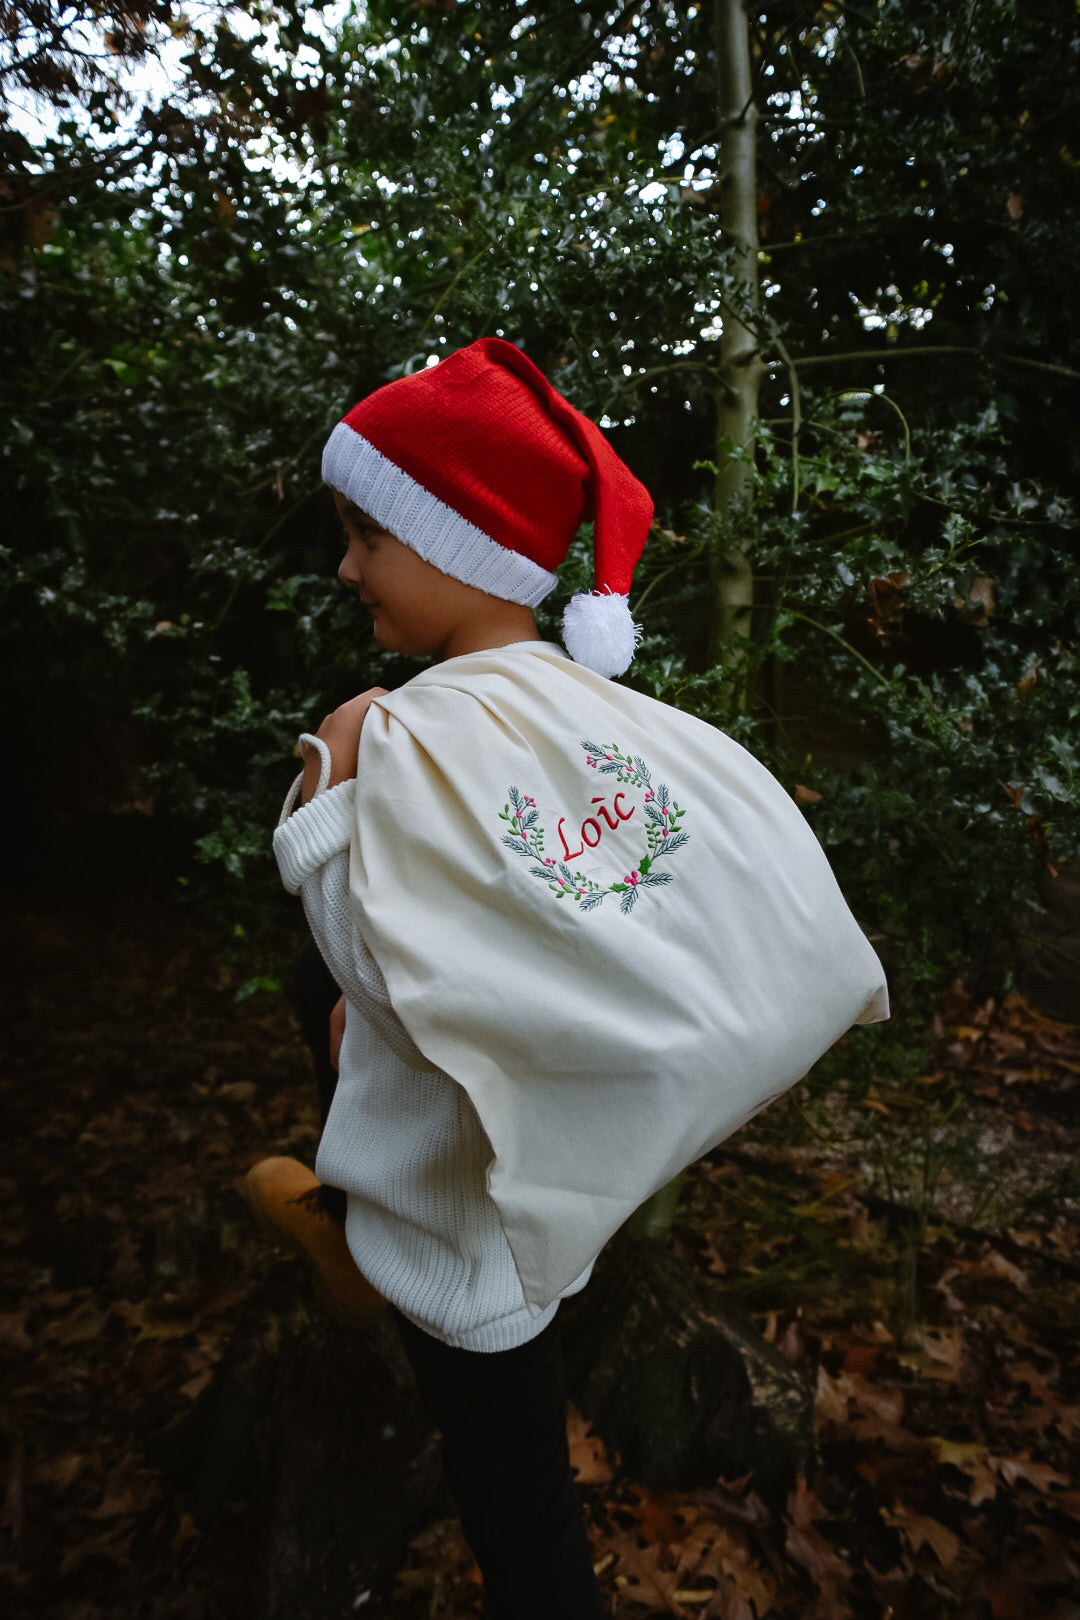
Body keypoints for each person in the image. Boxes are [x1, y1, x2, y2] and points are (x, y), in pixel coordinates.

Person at [245, 337, 888, 1617]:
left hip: (472, 1235)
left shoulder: (408, 733)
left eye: (368, 536)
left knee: (524, 1519)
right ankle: (351, 1203)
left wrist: (322, 818)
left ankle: (365, 1240)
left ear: (449, 545)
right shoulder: (592, 711)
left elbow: (403, 992)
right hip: (548, 1161)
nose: (346, 566)